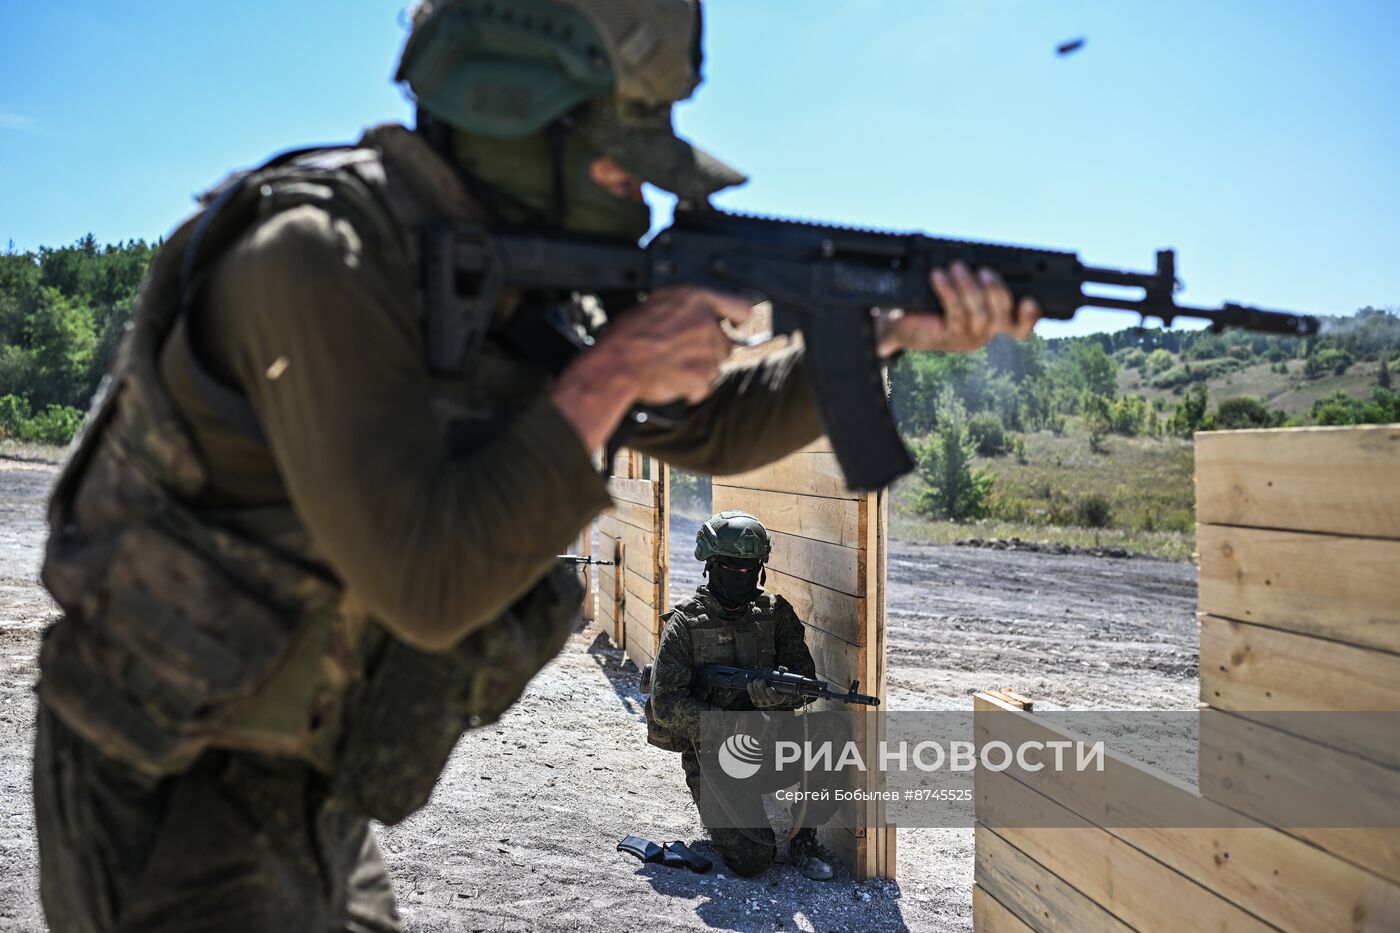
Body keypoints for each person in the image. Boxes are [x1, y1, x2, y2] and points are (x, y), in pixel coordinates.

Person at [30, 1, 1040, 930]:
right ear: (513, 125)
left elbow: (713, 432)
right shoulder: (313, 258)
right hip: (166, 785)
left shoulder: (510, 277)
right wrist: (604, 378)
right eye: (616, 164)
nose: (639, 195)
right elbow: (427, 586)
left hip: (309, 781)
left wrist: (879, 339)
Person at [646, 511, 841, 880]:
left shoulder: (777, 614)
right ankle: (729, 822)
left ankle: (803, 837)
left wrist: (778, 700)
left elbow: (805, 682)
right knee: (754, 861)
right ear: (710, 565)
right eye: (731, 567)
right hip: (715, 760)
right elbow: (666, 704)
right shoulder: (685, 625)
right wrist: (728, 725)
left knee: (832, 731)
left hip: (770, 746)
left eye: (749, 568)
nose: (742, 576)